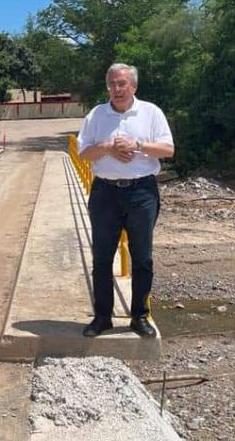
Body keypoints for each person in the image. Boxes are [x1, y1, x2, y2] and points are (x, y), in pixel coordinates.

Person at [77, 63, 175, 338]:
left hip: (141, 193)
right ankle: (102, 317)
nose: (116, 89)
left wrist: (137, 146)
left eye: (122, 84)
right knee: (102, 258)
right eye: (112, 84)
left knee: (142, 257)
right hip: (105, 194)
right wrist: (108, 147)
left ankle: (139, 316)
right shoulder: (97, 115)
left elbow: (168, 149)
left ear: (133, 86)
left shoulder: (151, 113)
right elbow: (83, 152)